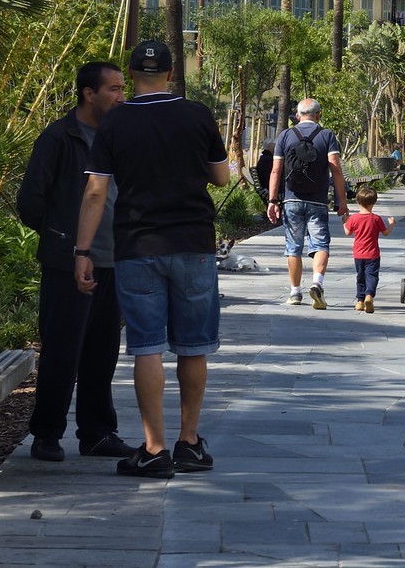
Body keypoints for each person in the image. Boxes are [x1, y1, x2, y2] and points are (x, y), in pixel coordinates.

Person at [75, 40, 230, 478]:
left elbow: (96, 192)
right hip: (194, 244)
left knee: (147, 347)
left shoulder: (115, 121)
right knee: (193, 347)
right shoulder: (197, 114)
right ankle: (189, 443)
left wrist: (82, 251)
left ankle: (154, 448)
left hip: (137, 246)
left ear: (131, 74)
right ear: (171, 72)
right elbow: (221, 177)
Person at [17, 61, 137, 463]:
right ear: (89, 93)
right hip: (68, 263)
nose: (122, 97)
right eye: (114, 89)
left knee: (102, 353)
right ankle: (46, 434)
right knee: (62, 352)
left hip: (112, 260)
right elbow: (30, 201)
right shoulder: (59, 137)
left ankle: (97, 433)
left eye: (123, 88)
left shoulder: (117, 137)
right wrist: (62, 239)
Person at [266, 98, 349, 308]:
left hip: (291, 199)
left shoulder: (285, 135)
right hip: (318, 200)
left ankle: (295, 292)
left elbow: (276, 170)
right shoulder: (327, 135)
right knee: (320, 244)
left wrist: (273, 201)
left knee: (293, 247)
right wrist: (342, 201)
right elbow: (336, 169)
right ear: (318, 115)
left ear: (297, 116)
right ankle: (317, 283)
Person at [340, 183, 394, 313]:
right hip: (373, 255)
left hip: (358, 255)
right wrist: (392, 224)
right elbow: (385, 233)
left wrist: (345, 222)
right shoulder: (376, 219)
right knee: (372, 276)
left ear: (358, 202)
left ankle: (360, 301)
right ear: (373, 203)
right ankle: (369, 296)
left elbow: (348, 233)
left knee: (360, 277)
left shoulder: (354, 218)